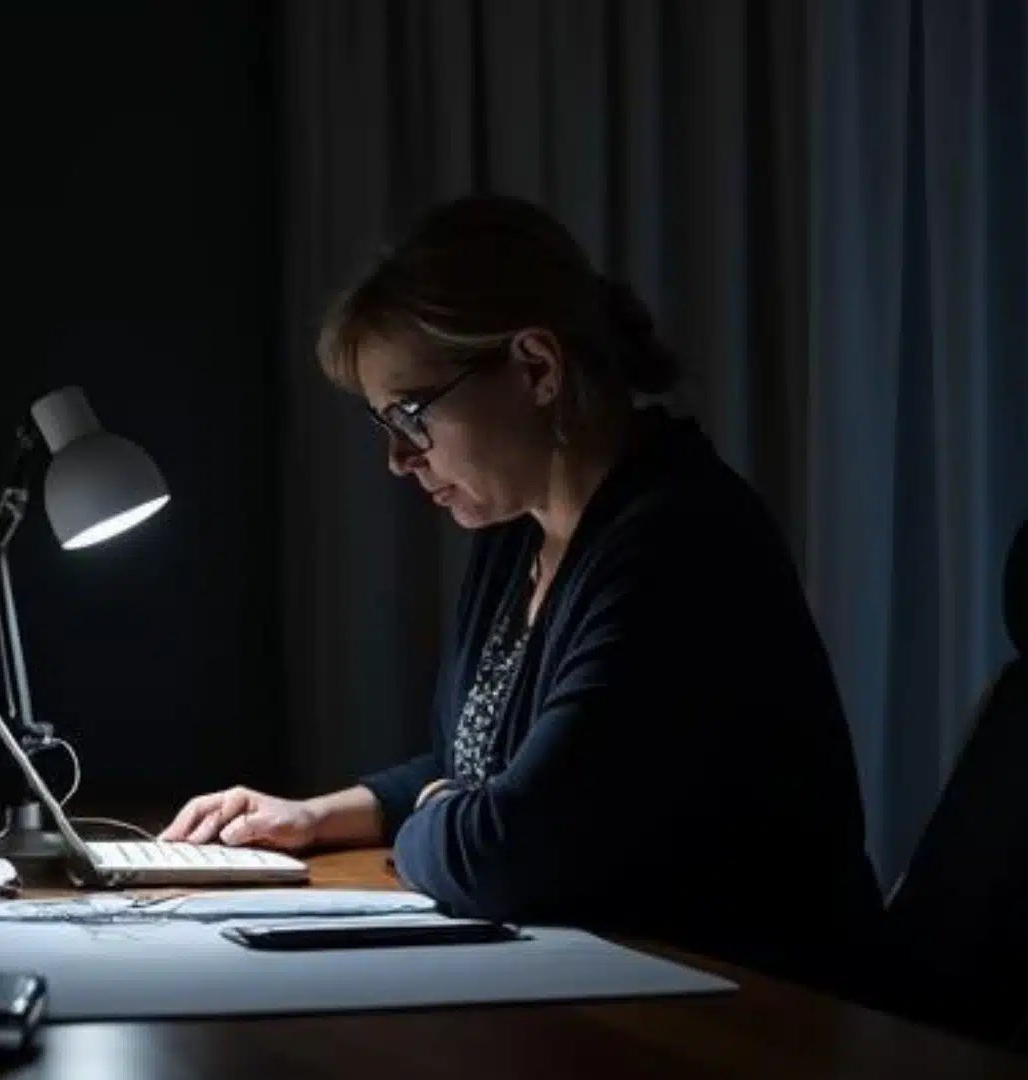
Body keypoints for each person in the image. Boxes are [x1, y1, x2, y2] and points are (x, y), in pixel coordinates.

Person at [162, 194, 882, 995]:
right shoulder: (518, 534)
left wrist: (450, 810)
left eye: (410, 414)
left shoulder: (677, 545)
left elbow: (507, 848)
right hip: (615, 987)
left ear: (537, 367)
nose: (399, 459)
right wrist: (313, 815)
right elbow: (475, 767)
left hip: (753, 1018)